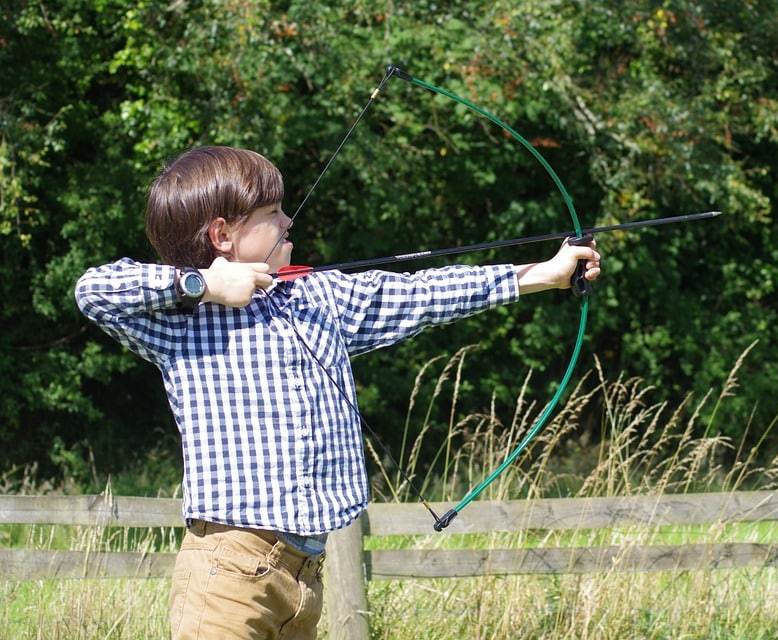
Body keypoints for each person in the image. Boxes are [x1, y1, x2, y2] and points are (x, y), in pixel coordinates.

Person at [75, 146, 601, 639]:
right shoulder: (182, 321)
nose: (288, 221)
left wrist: (544, 276)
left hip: (305, 577)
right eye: (273, 212)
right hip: (227, 570)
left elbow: (422, 293)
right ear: (222, 235)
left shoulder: (317, 297)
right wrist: (204, 286)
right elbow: (94, 290)